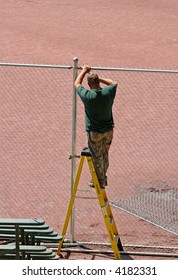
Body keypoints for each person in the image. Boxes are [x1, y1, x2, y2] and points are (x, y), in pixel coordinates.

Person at [74, 65, 118, 189]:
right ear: (98, 82)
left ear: (88, 84)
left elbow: (77, 83)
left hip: (95, 132)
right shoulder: (107, 92)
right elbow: (114, 83)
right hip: (108, 130)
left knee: (96, 156)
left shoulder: (88, 96)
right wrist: (100, 79)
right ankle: (103, 177)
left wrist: (84, 71)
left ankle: (99, 181)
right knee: (105, 154)